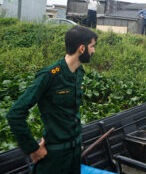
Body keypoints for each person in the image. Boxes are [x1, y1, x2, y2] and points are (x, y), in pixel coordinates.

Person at [6, 26, 98, 174]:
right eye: (92, 46)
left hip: (74, 153)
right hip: (54, 157)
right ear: (82, 48)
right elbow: (14, 113)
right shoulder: (50, 75)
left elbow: (69, 112)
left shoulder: (78, 72)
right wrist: (33, 149)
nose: (93, 51)